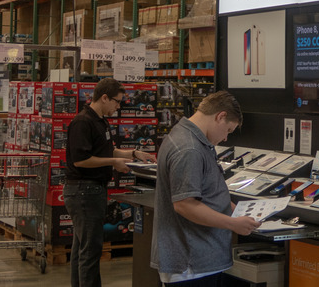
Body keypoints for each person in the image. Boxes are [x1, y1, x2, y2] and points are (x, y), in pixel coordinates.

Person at [152, 90, 261, 287]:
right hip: (192, 265)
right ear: (221, 116)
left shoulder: (191, 140)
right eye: (228, 130)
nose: (226, 138)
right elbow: (185, 205)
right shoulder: (190, 149)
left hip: (199, 261)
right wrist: (232, 224)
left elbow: (203, 190)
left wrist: (232, 208)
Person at [64, 78, 156, 287]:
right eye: (116, 101)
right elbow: (81, 160)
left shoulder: (99, 121)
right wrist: (114, 162)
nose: (118, 106)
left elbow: (106, 151)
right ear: (104, 97)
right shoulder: (83, 122)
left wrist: (133, 153)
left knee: (82, 249)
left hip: (91, 190)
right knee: (90, 251)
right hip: (83, 191)